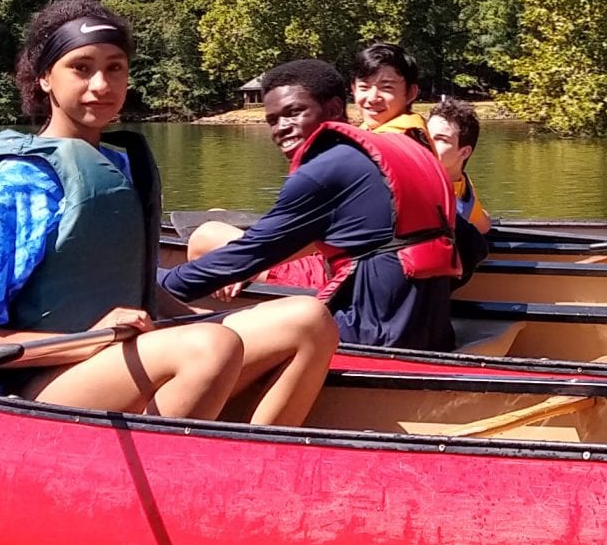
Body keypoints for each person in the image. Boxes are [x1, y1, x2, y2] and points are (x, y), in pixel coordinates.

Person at [0, 0, 247, 418]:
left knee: (302, 319)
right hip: (40, 386)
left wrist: (200, 317)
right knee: (211, 346)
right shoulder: (17, 181)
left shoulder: (118, 166)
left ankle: (253, 457)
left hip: (119, 360)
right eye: (81, 67)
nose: (102, 85)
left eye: (115, 68)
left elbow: (125, 285)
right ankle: (170, 471)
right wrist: (84, 340)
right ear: (44, 78)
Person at [163, 59, 463, 385]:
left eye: (294, 112)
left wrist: (151, 293)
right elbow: (471, 241)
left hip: (368, 338)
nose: (281, 128)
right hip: (433, 333)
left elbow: (245, 255)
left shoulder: (326, 169)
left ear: (334, 108)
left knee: (208, 341)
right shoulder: (408, 147)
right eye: (273, 120)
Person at [426, 94, 492, 280]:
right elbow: (484, 224)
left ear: (464, 152)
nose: (428, 143)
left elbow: (484, 225)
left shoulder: (462, 187)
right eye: (426, 135)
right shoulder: (462, 184)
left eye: (441, 139)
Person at [350, 42, 429, 137]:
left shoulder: (406, 141)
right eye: (364, 87)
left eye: (386, 88)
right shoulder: (366, 132)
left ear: (411, 93)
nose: (372, 99)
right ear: (353, 89)